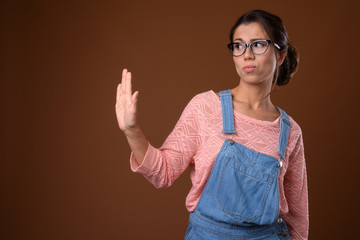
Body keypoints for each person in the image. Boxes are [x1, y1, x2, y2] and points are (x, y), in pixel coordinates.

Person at [115, 9, 308, 240]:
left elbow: (297, 217)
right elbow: (163, 173)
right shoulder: (205, 107)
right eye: (238, 46)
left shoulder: (290, 131)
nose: (247, 54)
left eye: (257, 44)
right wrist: (131, 130)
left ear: (281, 55)